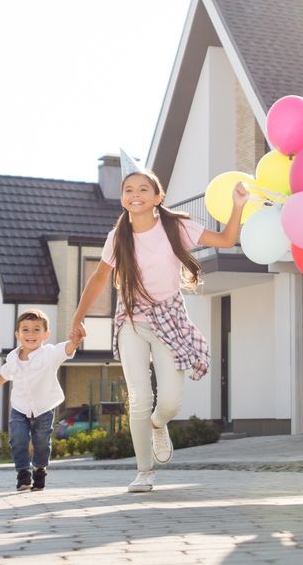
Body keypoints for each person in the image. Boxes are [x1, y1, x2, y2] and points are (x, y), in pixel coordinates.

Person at [68, 164, 246, 492]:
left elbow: (227, 238)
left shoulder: (176, 226)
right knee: (138, 396)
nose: (135, 195)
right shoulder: (117, 237)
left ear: (157, 197)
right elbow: (98, 279)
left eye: (143, 190)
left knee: (169, 401)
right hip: (132, 318)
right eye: (129, 190)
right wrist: (77, 319)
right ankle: (144, 472)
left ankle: (157, 424)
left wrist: (237, 206)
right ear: (122, 199)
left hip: (169, 317)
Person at [0, 309, 74, 491]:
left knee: (41, 441)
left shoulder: (49, 354)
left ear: (46, 334)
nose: (30, 334)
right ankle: (23, 474)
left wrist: (75, 341)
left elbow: (65, 350)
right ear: (17, 334)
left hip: (44, 407)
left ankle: (40, 469)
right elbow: (5, 373)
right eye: (25, 329)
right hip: (19, 407)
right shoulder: (13, 358)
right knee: (17, 438)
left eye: (36, 330)